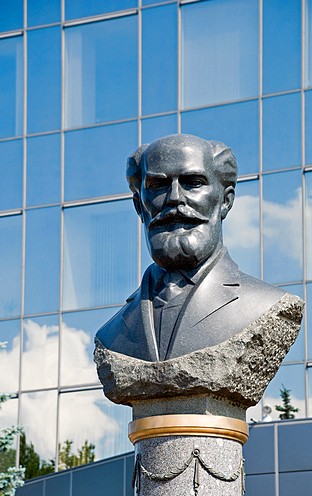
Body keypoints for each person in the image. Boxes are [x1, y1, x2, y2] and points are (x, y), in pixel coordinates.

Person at [96, 134, 286, 361]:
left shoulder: (266, 305)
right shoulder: (112, 333)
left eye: (193, 183)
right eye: (158, 185)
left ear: (225, 201)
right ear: (139, 205)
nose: (174, 198)